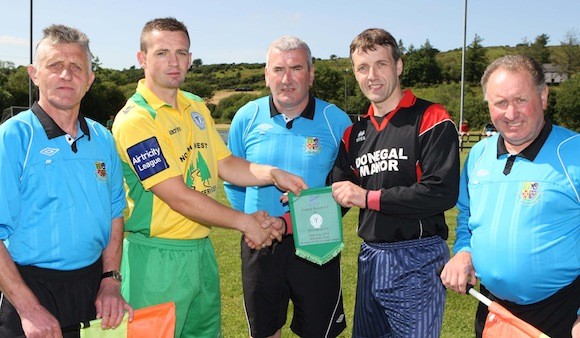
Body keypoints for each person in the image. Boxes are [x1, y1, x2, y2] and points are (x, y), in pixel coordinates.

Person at [111, 18, 307, 338]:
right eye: (162, 53)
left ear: (190, 58)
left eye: (182, 52)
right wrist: (245, 222)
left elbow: (226, 163)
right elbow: (178, 195)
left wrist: (271, 173)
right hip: (156, 258)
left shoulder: (196, 105)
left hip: (201, 252)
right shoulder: (136, 120)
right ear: (142, 59)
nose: (174, 62)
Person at [0, 24, 132, 337]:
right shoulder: (13, 138)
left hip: (92, 289)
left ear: (90, 78)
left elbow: (115, 214)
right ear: (34, 74)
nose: (66, 75)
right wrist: (29, 308)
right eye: (55, 65)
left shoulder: (103, 138)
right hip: (30, 287)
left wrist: (110, 281)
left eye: (76, 67)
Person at [329, 28, 460, 337]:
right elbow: (337, 194)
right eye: (363, 67)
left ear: (398, 66)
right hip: (371, 257)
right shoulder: (354, 134)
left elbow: (440, 191)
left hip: (418, 257)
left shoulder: (431, 117)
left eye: (381, 64)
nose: (371, 75)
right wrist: (295, 214)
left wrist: (367, 198)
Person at [441, 54, 580, 338]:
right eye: (500, 103)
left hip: (561, 312)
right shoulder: (479, 154)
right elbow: (467, 215)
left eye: (520, 99)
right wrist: (464, 251)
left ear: (543, 96)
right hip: (492, 307)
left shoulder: (574, 152)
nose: (511, 113)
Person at [224, 36, 352, 338]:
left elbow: (344, 192)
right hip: (261, 242)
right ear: (266, 74)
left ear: (311, 73)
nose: (287, 78)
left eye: (296, 68)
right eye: (278, 69)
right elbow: (233, 177)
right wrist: (253, 224)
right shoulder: (247, 117)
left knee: (318, 332)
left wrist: (299, 221)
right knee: (266, 330)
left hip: (317, 240)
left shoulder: (336, 120)